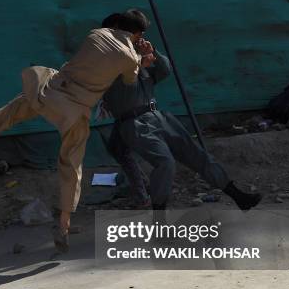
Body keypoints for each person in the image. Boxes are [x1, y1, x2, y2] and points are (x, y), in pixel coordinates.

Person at [0, 9, 150, 252]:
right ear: (138, 33)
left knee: (4, 115)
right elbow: (129, 82)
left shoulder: (96, 33)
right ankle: (63, 225)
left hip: (48, 90)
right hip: (73, 110)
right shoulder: (129, 56)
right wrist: (141, 59)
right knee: (71, 165)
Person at [100, 13, 262, 212]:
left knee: (197, 155)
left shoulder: (136, 54)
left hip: (157, 116)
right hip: (135, 122)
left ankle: (237, 195)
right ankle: (159, 220)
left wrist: (153, 54)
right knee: (165, 162)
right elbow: (122, 88)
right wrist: (139, 63)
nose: (133, 37)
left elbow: (164, 72)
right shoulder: (106, 60)